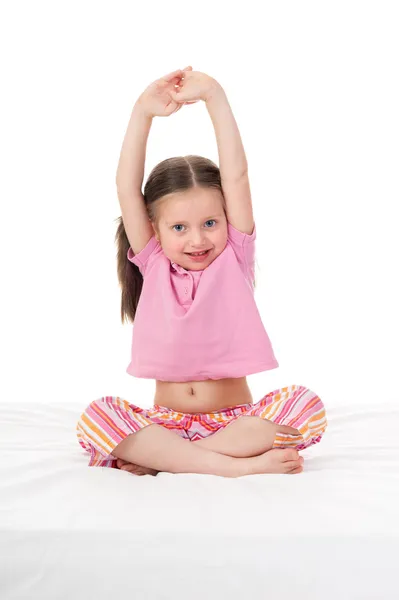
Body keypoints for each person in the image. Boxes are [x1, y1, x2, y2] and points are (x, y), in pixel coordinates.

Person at [76, 66, 327, 478]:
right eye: (179, 228)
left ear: (227, 219)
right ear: (154, 228)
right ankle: (228, 467)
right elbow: (126, 187)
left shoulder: (234, 254)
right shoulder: (153, 259)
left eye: (210, 223)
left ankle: (171, 460)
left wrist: (214, 96)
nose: (198, 240)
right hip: (166, 424)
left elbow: (237, 175)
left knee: (305, 405)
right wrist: (143, 112)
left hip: (234, 424)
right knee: (96, 416)